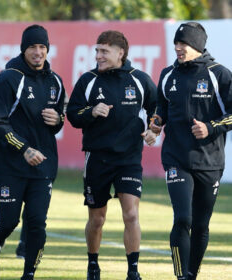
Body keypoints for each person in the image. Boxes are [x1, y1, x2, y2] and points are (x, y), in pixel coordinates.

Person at [67, 30, 157, 280]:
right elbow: (73, 115)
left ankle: (133, 271)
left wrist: (153, 130)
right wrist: (92, 111)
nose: (98, 56)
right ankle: (93, 265)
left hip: (129, 159)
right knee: (97, 219)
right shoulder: (88, 80)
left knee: (131, 214)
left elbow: (158, 110)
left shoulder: (139, 80)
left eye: (104, 51)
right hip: (96, 158)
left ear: (121, 53)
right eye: (97, 51)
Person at [0, 24, 66, 280]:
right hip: (10, 165)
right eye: (32, 47)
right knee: (7, 222)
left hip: (43, 166)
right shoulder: (9, 78)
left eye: (42, 47)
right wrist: (24, 149)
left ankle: (29, 274)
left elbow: (59, 119)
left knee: (37, 222)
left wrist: (58, 119)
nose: (38, 52)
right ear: (24, 49)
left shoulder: (56, 81)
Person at [150, 22, 232, 280]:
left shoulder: (220, 74)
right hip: (176, 158)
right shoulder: (167, 74)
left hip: (210, 162)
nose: (177, 48)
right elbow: (160, 109)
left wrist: (211, 128)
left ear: (197, 46)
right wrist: (153, 127)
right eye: (175, 43)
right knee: (182, 218)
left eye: (182, 44)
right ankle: (180, 276)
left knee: (200, 225)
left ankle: (191, 275)